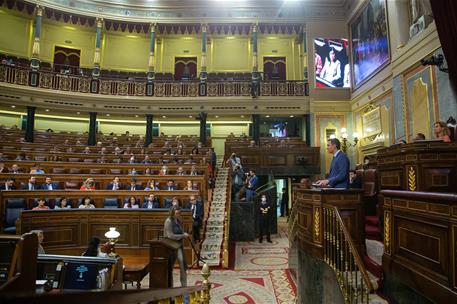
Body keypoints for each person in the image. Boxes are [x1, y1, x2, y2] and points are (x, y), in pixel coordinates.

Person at [163, 206, 188, 287]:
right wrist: (182, 236)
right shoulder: (168, 221)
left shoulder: (179, 220)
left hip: (178, 245)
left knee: (182, 263)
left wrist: (183, 234)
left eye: (179, 213)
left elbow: (180, 231)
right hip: (170, 246)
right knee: (170, 266)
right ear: (172, 213)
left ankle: (184, 285)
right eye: (177, 213)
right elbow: (170, 235)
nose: (178, 215)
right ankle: (170, 285)